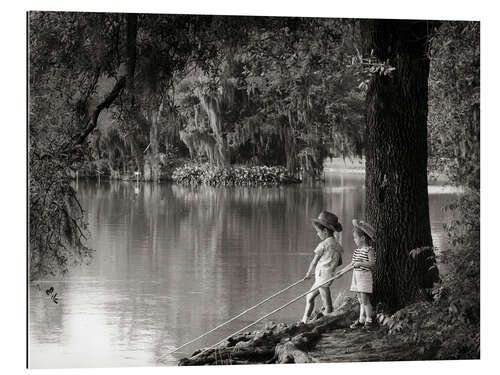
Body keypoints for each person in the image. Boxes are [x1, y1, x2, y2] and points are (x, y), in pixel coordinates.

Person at [301, 211, 344, 323]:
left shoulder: (323, 245)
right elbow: (339, 262)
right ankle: (304, 320)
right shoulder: (338, 245)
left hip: (322, 277)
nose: (317, 234)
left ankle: (328, 320)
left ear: (325, 231)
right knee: (309, 297)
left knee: (326, 301)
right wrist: (330, 266)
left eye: (318, 232)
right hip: (326, 276)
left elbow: (314, 261)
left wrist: (308, 273)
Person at [349, 219, 376, 329]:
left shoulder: (369, 250)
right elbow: (352, 264)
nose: (354, 240)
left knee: (365, 300)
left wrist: (359, 263)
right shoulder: (356, 251)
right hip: (356, 278)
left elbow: (372, 263)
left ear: (363, 238)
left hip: (364, 278)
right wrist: (341, 272)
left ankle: (369, 320)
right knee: (360, 300)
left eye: (355, 238)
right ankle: (361, 319)